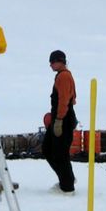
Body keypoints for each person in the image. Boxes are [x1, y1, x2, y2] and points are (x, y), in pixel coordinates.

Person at [42, 50, 77, 194]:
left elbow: (65, 100)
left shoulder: (63, 76)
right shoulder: (62, 76)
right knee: (48, 149)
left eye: (52, 62)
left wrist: (59, 120)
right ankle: (66, 179)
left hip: (62, 119)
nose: (50, 65)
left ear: (60, 61)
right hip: (60, 117)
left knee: (59, 153)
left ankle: (67, 187)